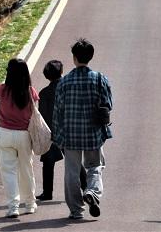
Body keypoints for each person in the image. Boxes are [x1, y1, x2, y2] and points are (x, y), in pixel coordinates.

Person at [53, 39, 113, 221]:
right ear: (91, 57)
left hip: (70, 134)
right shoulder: (100, 79)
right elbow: (108, 105)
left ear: (74, 58)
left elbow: (58, 111)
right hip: (93, 133)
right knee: (95, 167)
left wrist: (57, 135)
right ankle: (92, 192)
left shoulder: (64, 83)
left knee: (71, 172)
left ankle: (76, 210)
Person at [0, 59, 41, 217]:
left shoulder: (3, 89)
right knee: (27, 169)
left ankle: (13, 207)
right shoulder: (30, 91)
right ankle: (30, 204)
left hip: (4, 134)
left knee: (9, 172)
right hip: (24, 135)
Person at [36, 60, 65, 202]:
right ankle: (85, 187)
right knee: (74, 162)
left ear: (46, 76)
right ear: (61, 72)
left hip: (51, 132)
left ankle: (47, 193)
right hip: (67, 130)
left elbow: (42, 116)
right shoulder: (67, 88)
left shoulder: (44, 93)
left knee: (48, 163)